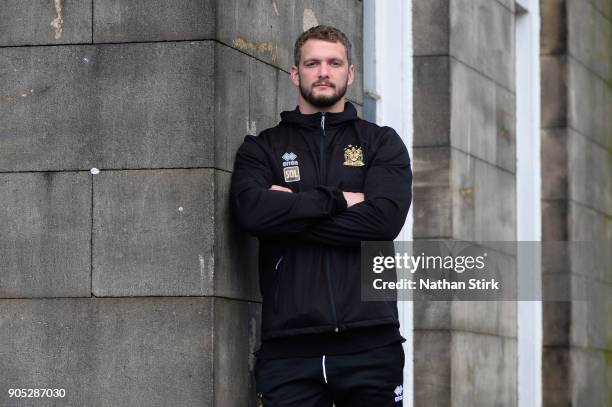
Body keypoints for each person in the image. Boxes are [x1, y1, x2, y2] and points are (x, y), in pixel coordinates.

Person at [230, 25, 412, 407]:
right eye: (312, 63)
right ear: (296, 73)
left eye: (334, 63)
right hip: (289, 350)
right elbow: (252, 213)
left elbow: (382, 222)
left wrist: (288, 213)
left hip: (371, 344)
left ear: (351, 73)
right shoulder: (262, 149)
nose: (324, 72)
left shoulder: (381, 142)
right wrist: (340, 200)